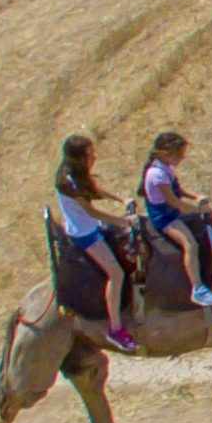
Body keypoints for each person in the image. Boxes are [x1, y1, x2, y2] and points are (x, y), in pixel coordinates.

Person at [55, 134, 140, 352]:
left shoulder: (77, 174)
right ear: (80, 158)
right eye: (90, 154)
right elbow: (90, 210)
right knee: (116, 273)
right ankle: (115, 329)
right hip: (85, 234)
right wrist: (122, 221)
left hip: (91, 225)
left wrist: (121, 200)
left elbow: (94, 189)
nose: (95, 156)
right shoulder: (69, 181)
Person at [140, 131, 212, 308]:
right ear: (165, 153)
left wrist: (196, 196)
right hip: (165, 217)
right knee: (190, 245)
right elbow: (174, 202)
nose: (183, 157)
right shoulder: (156, 175)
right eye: (180, 154)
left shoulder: (166, 168)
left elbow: (179, 191)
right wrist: (201, 210)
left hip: (173, 210)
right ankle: (197, 289)